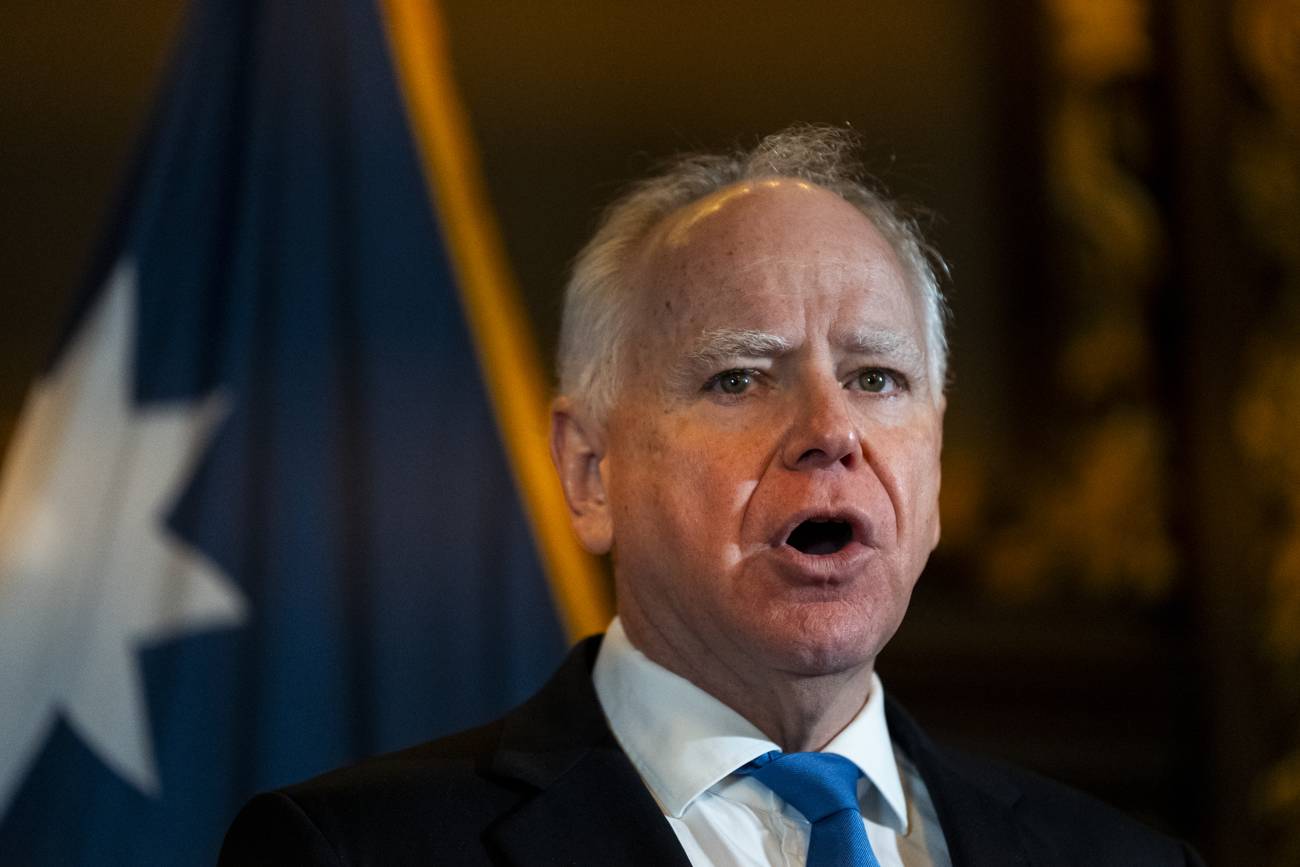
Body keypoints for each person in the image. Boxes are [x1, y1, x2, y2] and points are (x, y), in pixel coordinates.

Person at [219, 126, 1202, 866]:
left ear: (935, 470)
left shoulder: (1126, 860)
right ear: (590, 471)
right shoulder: (351, 852)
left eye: (876, 377)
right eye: (740, 378)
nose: (831, 429)